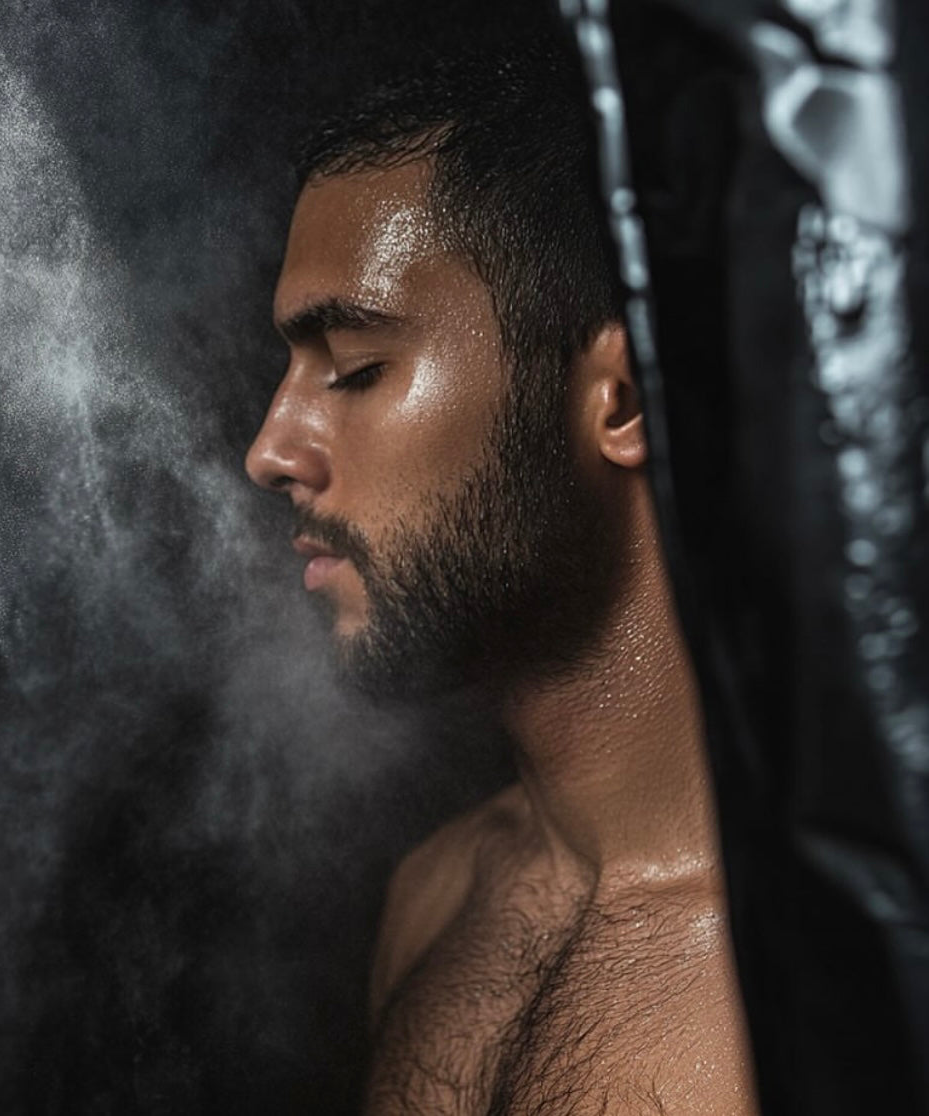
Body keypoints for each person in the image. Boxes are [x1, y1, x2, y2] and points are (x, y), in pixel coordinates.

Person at [245, 38, 759, 1116]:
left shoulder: (831, 970)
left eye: (354, 369)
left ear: (621, 402)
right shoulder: (435, 900)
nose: (271, 450)